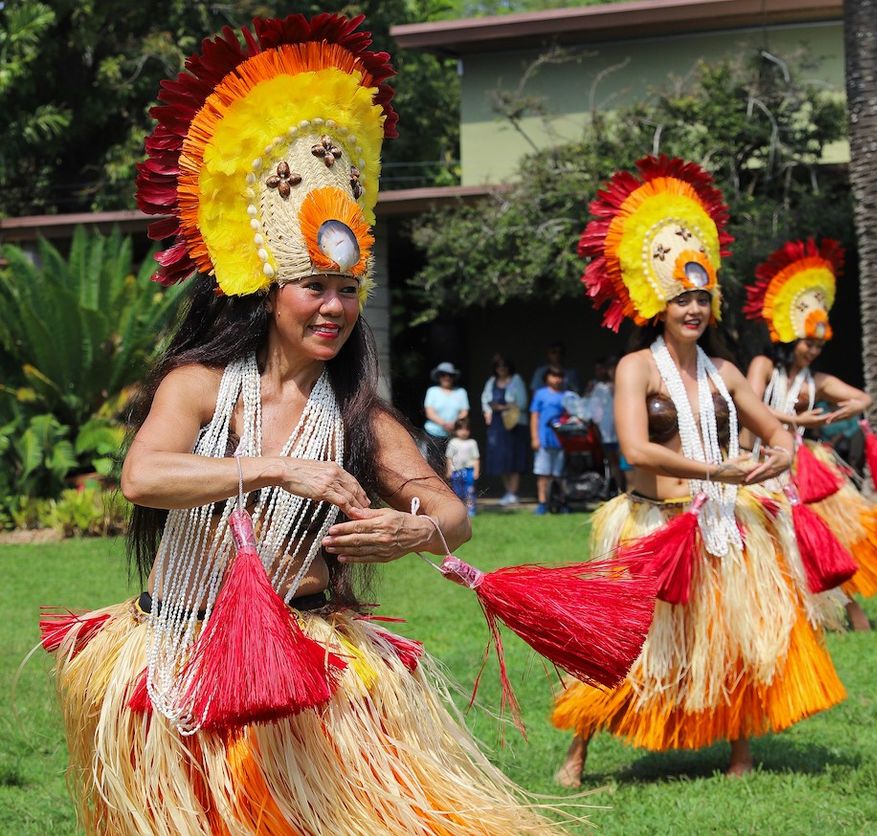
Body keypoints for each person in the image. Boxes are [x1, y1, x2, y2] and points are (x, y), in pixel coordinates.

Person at [39, 15, 563, 834]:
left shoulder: (361, 414)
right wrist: (280, 469)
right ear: (269, 291)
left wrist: (412, 529)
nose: (334, 306)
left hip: (308, 649)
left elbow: (454, 512)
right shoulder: (200, 384)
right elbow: (144, 478)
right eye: (315, 286)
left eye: (348, 289)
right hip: (183, 642)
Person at [553, 156, 846, 784]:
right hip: (651, 521)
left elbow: (777, 434)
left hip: (717, 523)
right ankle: (577, 750)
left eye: (702, 298)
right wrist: (720, 471)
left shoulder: (728, 374)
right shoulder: (636, 368)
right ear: (658, 304)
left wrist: (779, 455)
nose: (693, 308)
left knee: (729, 636)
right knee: (624, 638)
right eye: (682, 298)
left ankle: (740, 753)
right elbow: (636, 450)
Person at [743, 238, 877, 630]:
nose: (813, 351)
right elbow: (751, 407)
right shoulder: (762, 365)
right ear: (791, 335)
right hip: (760, 464)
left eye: (818, 345)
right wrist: (799, 422)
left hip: (798, 470)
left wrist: (855, 407)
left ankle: (847, 614)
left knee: (820, 541)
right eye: (809, 343)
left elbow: (863, 397)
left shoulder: (817, 381)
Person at [480, 353, 529, 505]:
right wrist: (488, 412)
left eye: (504, 366)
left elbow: (522, 402)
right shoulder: (491, 381)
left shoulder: (516, 380)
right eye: (498, 366)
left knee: (513, 458)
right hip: (497, 425)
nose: (501, 369)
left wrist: (502, 407)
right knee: (500, 459)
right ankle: (508, 491)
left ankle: (513, 492)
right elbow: (485, 400)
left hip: (513, 423)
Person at [530, 367, 569, 514]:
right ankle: (543, 503)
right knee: (543, 473)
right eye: (553, 376)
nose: (557, 379)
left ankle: (562, 502)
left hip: (561, 440)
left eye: (559, 376)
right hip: (544, 440)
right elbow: (534, 416)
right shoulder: (540, 394)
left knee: (559, 474)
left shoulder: (566, 395)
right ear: (547, 378)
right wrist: (535, 437)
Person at [585, 355, 625, 494]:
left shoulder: (626, 383)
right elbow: (592, 410)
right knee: (613, 462)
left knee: (626, 463)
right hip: (607, 431)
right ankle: (620, 490)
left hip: (624, 432)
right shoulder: (599, 388)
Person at [423, 361, 469, 451]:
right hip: (433, 434)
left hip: (454, 435)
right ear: (439, 376)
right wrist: (445, 424)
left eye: (450, 375)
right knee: (434, 463)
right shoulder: (432, 391)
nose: (447, 377)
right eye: (443, 374)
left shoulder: (461, 392)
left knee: (454, 463)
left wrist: (454, 424)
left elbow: (464, 411)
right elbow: (429, 413)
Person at [447, 416, 480, 516]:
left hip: (469, 470)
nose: (463, 432)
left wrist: (476, 471)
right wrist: (449, 470)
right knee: (457, 491)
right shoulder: (453, 442)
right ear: (456, 430)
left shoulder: (472, 443)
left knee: (469, 490)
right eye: (461, 429)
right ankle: (458, 509)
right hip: (456, 471)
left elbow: (476, 458)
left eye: (466, 429)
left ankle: (470, 509)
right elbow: (449, 457)